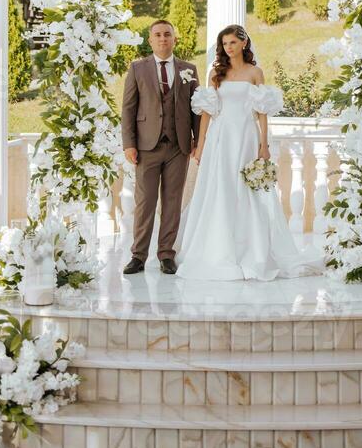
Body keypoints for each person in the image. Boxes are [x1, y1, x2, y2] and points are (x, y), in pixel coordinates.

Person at [175, 24, 321, 281]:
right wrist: (202, 143)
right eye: (224, 44)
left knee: (248, 189)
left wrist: (263, 144)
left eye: (232, 42)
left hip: (245, 136)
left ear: (243, 43)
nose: (228, 47)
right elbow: (208, 111)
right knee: (221, 188)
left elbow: (261, 111)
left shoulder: (255, 72)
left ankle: (252, 248)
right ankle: (219, 248)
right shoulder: (216, 73)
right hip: (221, 137)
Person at [120, 20, 199, 274]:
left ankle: (166, 254)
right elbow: (128, 109)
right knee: (145, 202)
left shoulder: (189, 69)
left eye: (167, 34)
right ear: (150, 40)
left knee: (172, 201)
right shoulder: (137, 68)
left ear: (174, 39)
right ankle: (139, 256)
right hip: (146, 146)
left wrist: (198, 141)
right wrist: (129, 144)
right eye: (158, 35)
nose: (163, 38)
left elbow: (196, 109)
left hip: (179, 146)